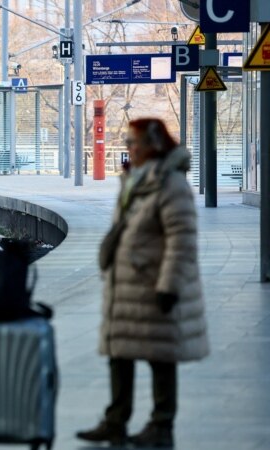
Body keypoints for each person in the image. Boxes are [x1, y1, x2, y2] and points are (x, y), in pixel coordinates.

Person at [76, 118, 209, 447]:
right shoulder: (134, 181)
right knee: (119, 353)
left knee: (159, 355)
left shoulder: (171, 185)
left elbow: (181, 240)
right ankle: (115, 421)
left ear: (154, 146)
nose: (129, 149)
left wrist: (169, 285)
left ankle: (161, 425)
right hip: (127, 284)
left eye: (134, 143)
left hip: (153, 283)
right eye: (128, 142)